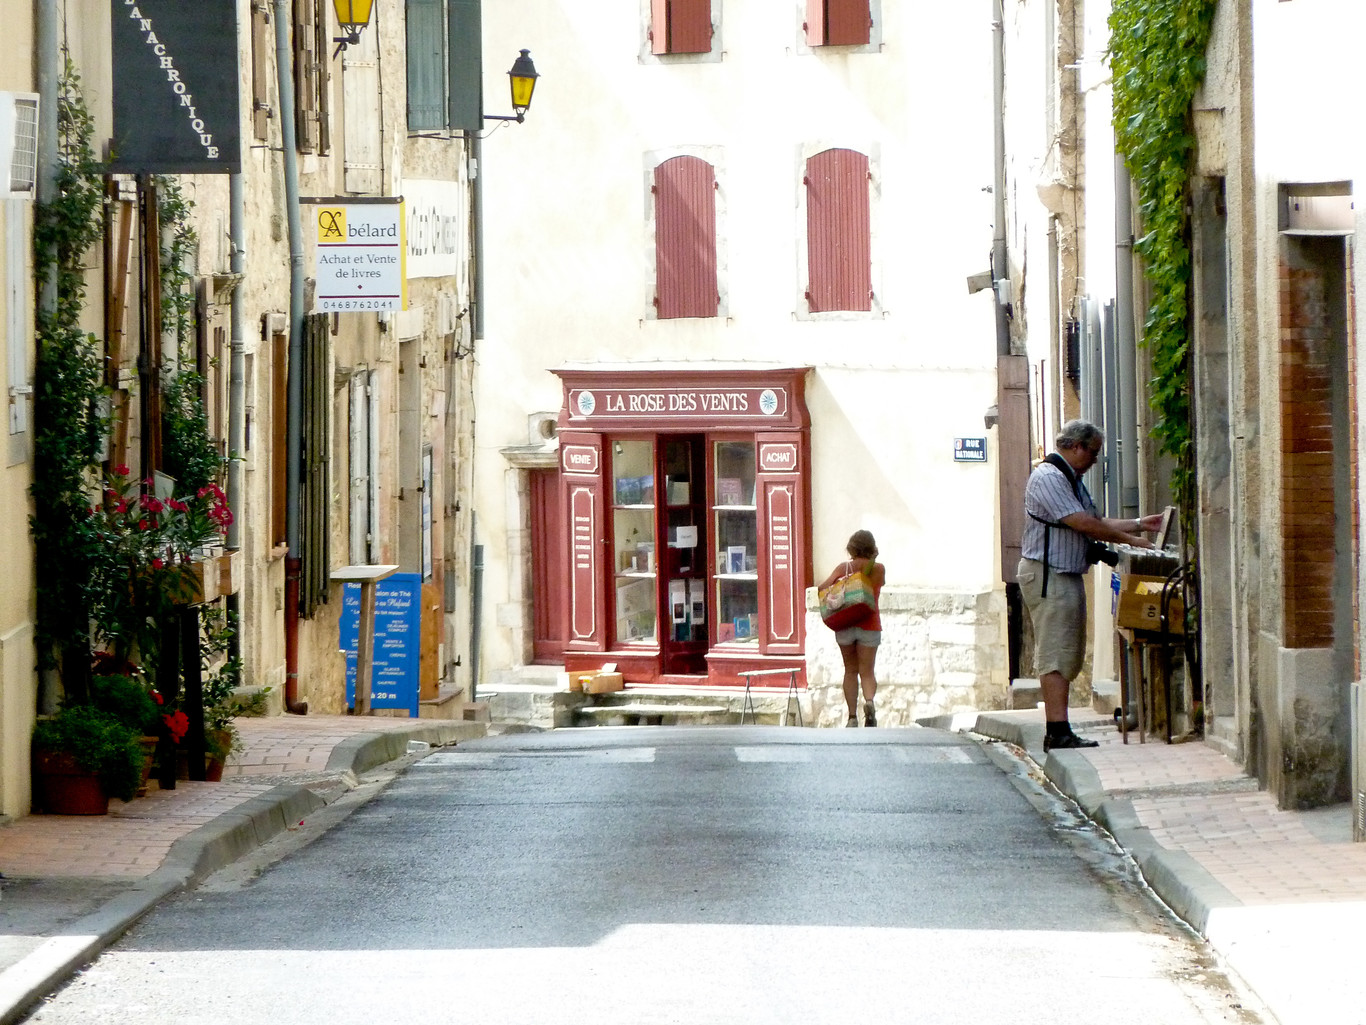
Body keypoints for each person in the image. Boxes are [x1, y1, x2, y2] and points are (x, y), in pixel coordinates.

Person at [1019, 420, 1165, 751]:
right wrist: (1133, 540)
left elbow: (1095, 522)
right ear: (1076, 447)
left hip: (1061, 574)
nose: (1097, 460)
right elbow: (1082, 523)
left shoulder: (1070, 479)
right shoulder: (1049, 478)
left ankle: (1060, 728)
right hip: (1049, 574)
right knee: (1056, 654)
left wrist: (1140, 524)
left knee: (1066, 651)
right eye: (1094, 452)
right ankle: (1057, 730)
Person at [818, 530, 885, 727]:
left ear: (851, 548)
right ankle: (870, 703)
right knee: (867, 671)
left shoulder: (843, 567)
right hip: (869, 624)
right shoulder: (879, 569)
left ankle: (852, 717)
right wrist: (873, 559)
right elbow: (879, 584)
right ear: (872, 547)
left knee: (850, 670)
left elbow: (822, 587)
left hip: (845, 623)